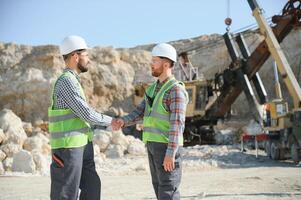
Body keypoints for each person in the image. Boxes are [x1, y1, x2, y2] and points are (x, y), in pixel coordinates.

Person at [112, 43, 188, 200]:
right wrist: (122, 121)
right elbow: (140, 112)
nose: (151, 64)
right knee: (159, 188)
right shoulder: (153, 89)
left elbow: (177, 125)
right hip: (153, 145)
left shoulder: (176, 91)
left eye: (155, 60)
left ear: (166, 64)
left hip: (167, 147)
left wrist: (171, 153)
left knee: (168, 190)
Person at [48, 35, 112, 200]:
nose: (89, 59)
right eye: (86, 55)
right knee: (66, 194)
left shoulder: (74, 81)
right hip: (68, 148)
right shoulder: (67, 81)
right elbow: (86, 113)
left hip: (82, 146)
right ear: (75, 56)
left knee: (92, 187)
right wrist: (112, 122)